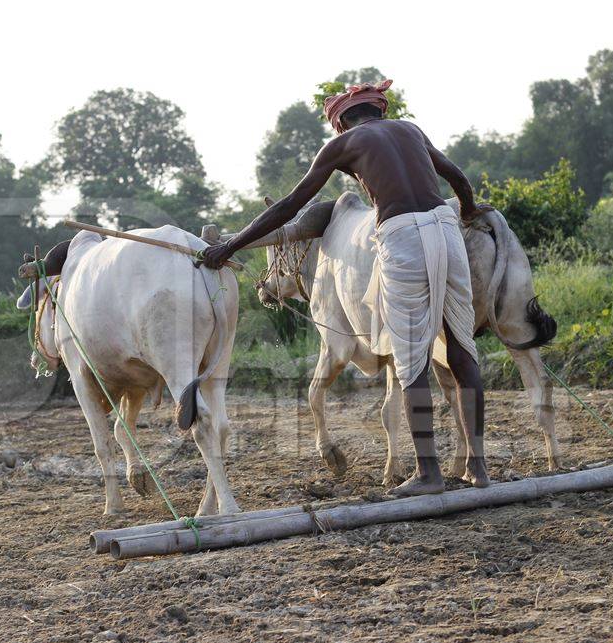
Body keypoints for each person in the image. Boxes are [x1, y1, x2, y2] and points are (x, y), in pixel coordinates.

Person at [201, 80, 492, 495]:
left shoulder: (340, 146)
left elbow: (289, 206)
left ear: (340, 124)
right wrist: (468, 210)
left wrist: (230, 245)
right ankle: (478, 470)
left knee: (411, 358)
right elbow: (457, 177)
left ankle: (429, 474)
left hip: (400, 235)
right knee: (462, 349)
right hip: (446, 228)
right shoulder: (409, 129)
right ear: (379, 111)